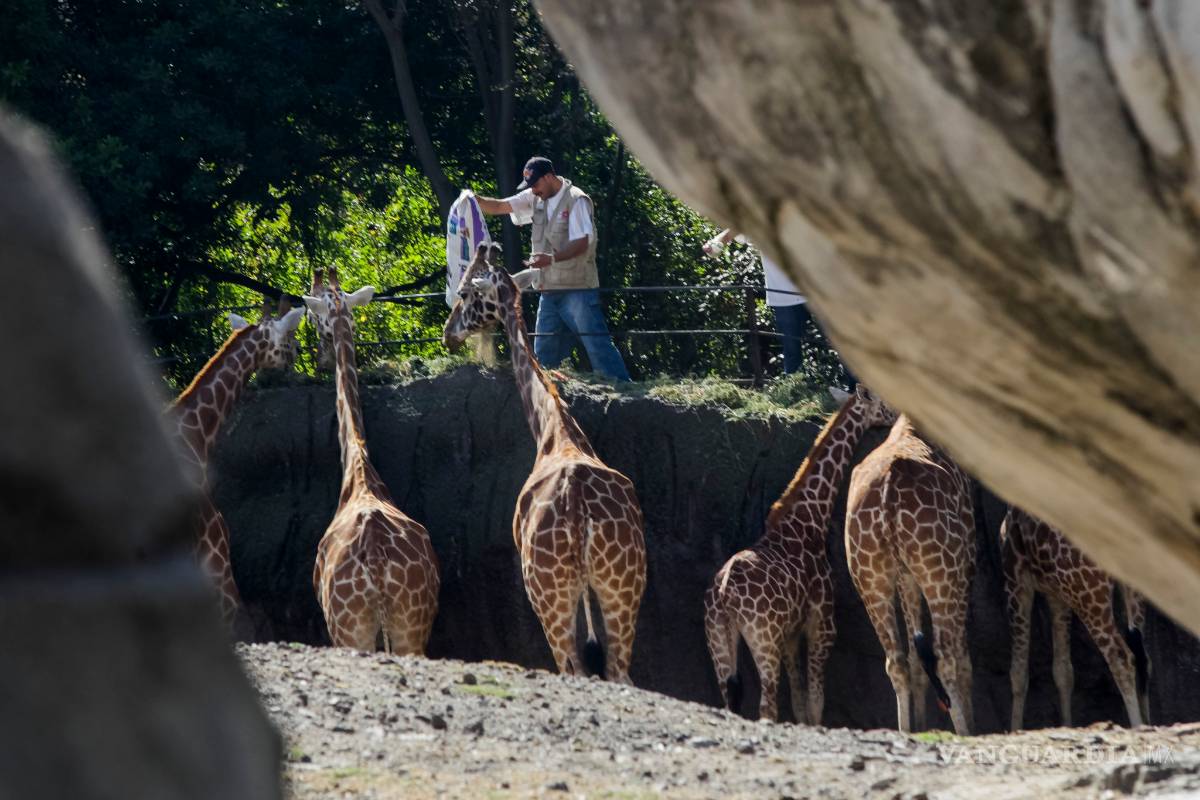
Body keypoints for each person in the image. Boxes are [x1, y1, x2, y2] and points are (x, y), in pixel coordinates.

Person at [473, 156, 631, 382]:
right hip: (548, 290)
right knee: (545, 352)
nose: (533, 190)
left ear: (549, 177)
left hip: (578, 290)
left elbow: (582, 243)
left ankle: (622, 390)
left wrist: (551, 259)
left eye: (536, 184)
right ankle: (552, 396)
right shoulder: (535, 197)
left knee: (597, 346)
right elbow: (500, 206)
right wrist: (471, 200)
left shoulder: (577, 200)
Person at [703, 228, 856, 383]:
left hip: (821, 290)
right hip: (784, 294)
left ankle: (859, 393)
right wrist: (716, 242)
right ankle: (795, 394)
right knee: (792, 351)